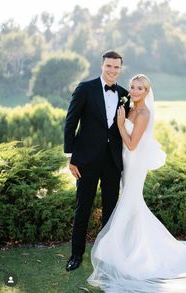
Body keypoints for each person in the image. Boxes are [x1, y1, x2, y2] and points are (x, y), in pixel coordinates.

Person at [87, 74, 186, 292]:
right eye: (133, 87)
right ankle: (130, 247)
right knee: (132, 203)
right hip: (125, 161)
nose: (134, 91)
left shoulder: (143, 113)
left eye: (140, 88)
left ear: (146, 92)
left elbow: (133, 144)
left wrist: (119, 124)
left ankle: (115, 249)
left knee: (130, 201)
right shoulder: (130, 108)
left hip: (134, 163)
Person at [64, 50, 130, 272]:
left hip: (112, 161)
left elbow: (126, 128)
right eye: (109, 66)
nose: (112, 70)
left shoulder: (124, 94)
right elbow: (71, 122)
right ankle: (76, 255)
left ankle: (106, 256)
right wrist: (70, 156)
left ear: (121, 69)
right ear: (102, 66)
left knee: (110, 210)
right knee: (83, 208)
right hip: (86, 161)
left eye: (116, 67)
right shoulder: (85, 89)